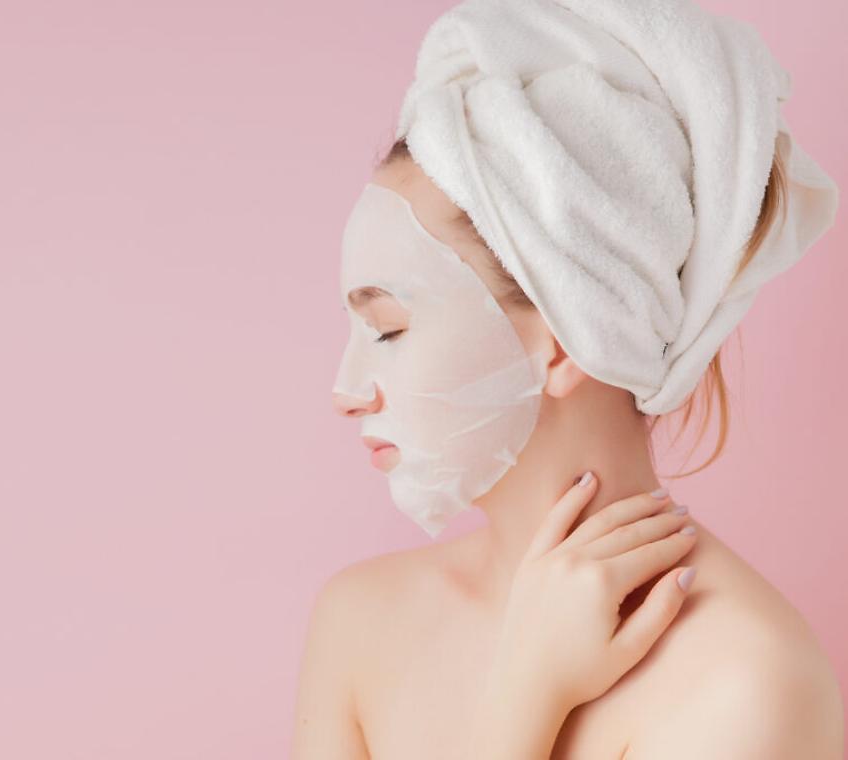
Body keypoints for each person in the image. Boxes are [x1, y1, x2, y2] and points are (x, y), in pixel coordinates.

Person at [291, 0, 842, 754]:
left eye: (388, 328)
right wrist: (523, 698)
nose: (344, 391)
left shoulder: (745, 680)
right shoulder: (357, 619)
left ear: (562, 339)